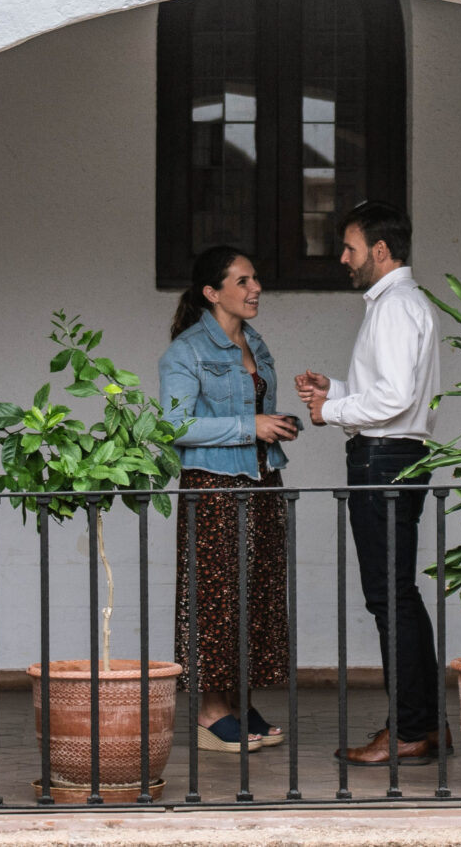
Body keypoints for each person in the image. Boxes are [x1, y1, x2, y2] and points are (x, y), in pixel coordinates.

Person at [294, 202, 442, 766]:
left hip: (383, 462)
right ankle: (422, 725)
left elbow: (395, 398)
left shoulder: (397, 307)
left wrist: (330, 411)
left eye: (351, 247)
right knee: (399, 595)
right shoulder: (399, 304)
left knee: (389, 598)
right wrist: (333, 388)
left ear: (381, 251)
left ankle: (409, 731)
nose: (344, 258)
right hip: (393, 457)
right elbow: (385, 389)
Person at [159, 244, 301, 755]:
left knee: (256, 595)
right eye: (242, 281)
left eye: (255, 278)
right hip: (214, 489)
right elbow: (173, 426)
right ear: (211, 293)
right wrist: (250, 426)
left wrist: (276, 425)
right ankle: (210, 711)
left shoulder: (255, 343)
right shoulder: (186, 352)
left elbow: (249, 409)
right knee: (214, 601)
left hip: (262, 482)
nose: (255, 287)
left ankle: (239, 701)